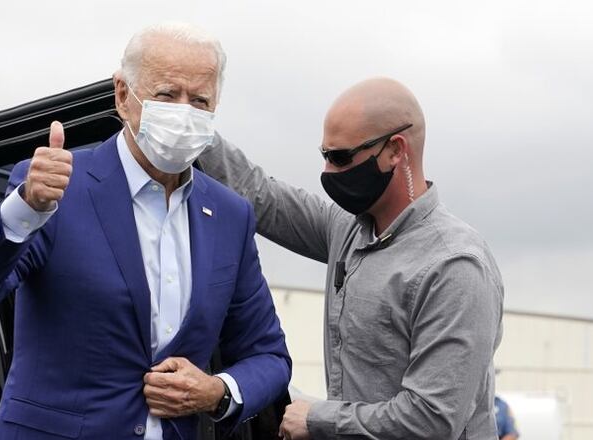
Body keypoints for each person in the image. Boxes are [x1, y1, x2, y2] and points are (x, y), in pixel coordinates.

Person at [0, 23, 291, 440]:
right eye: (167, 95)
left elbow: (268, 355)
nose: (184, 112)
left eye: (199, 100)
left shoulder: (230, 215)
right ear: (124, 96)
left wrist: (217, 391)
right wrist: (23, 210)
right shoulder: (59, 188)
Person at [197, 77, 504, 439]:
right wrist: (190, 124)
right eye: (325, 156)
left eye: (341, 158)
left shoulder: (454, 266)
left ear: (395, 150)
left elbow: (432, 418)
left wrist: (317, 419)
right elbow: (260, 194)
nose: (329, 173)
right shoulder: (348, 230)